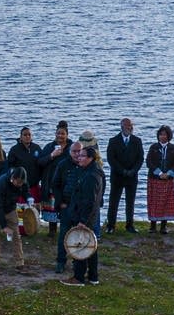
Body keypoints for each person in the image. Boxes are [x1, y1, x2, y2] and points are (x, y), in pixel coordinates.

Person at [60, 139, 103, 286]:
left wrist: (83, 221)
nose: (79, 157)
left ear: (90, 158)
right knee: (91, 245)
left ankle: (78, 277)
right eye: (79, 155)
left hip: (84, 217)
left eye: (83, 156)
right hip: (87, 216)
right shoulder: (91, 171)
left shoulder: (91, 176)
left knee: (80, 246)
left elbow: (90, 201)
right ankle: (93, 277)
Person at [0, 167, 29, 271]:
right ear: (13, 178)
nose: (20, 185)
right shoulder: (0, 184)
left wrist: (29, 198)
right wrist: (4, 226)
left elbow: (25, 191)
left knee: (16, 236)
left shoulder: (23, 182)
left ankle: (19, 262)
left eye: (22, 183)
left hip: (11, 210)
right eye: (18, 182)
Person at [108, 119, 145, 233]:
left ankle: (130, 225)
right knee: (113, 202)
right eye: (127, 126)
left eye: (131, 126)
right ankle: (111, 226)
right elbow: (111, 159)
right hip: (117, 176)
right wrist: (122, 171)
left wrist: (133, 170)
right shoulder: (113, 141)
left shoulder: (137, 141)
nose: (130, 128)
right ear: (122, 127)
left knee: (130, 202)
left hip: (132, 176)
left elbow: (140, 158)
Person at [143, 126, 174, 236]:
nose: (162, 137)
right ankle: (153, 226)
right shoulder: (153, 147)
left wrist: (168, 173)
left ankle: (164, 226)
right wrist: (159, 173)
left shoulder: (173, 148)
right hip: (155, 178)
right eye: (161, 134)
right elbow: (149, 162)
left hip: (168, 179)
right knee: (154, 202)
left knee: (167, 202)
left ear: (169, 136)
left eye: (164, 134)